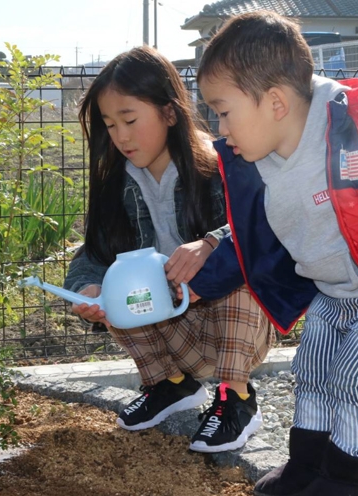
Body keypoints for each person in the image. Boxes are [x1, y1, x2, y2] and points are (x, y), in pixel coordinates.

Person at [188, 10, 358, 496]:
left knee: (352, 378)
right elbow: (251, 242)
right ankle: (307, 462)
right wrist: (191, 284)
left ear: (275, 103)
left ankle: (347, 474)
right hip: (331, 291)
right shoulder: (260, 161)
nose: (219, 130)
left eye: (224, 112)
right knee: (311, 369)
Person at [63, 45, 274, 453]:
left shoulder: (222, 163)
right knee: (117, 287)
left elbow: (261, 228)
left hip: (235, 327)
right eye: (109, 124)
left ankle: (237, 400)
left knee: (235, 270)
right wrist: (87, 289)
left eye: (129, 119)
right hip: (172, 329)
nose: (120, 136)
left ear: (170, 113)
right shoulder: (117, 184)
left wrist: (212, 243)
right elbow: (93, 254)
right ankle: (170, 385)